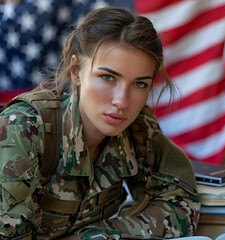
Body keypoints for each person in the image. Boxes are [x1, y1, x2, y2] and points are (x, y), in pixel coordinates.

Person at [0, 6, 200, 239]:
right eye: (107, 77)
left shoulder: (137, 128)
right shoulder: (22, 130)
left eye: (140, 84)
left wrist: (97, 235)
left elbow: (182, 207)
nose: (121, 101)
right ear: (76, 72)